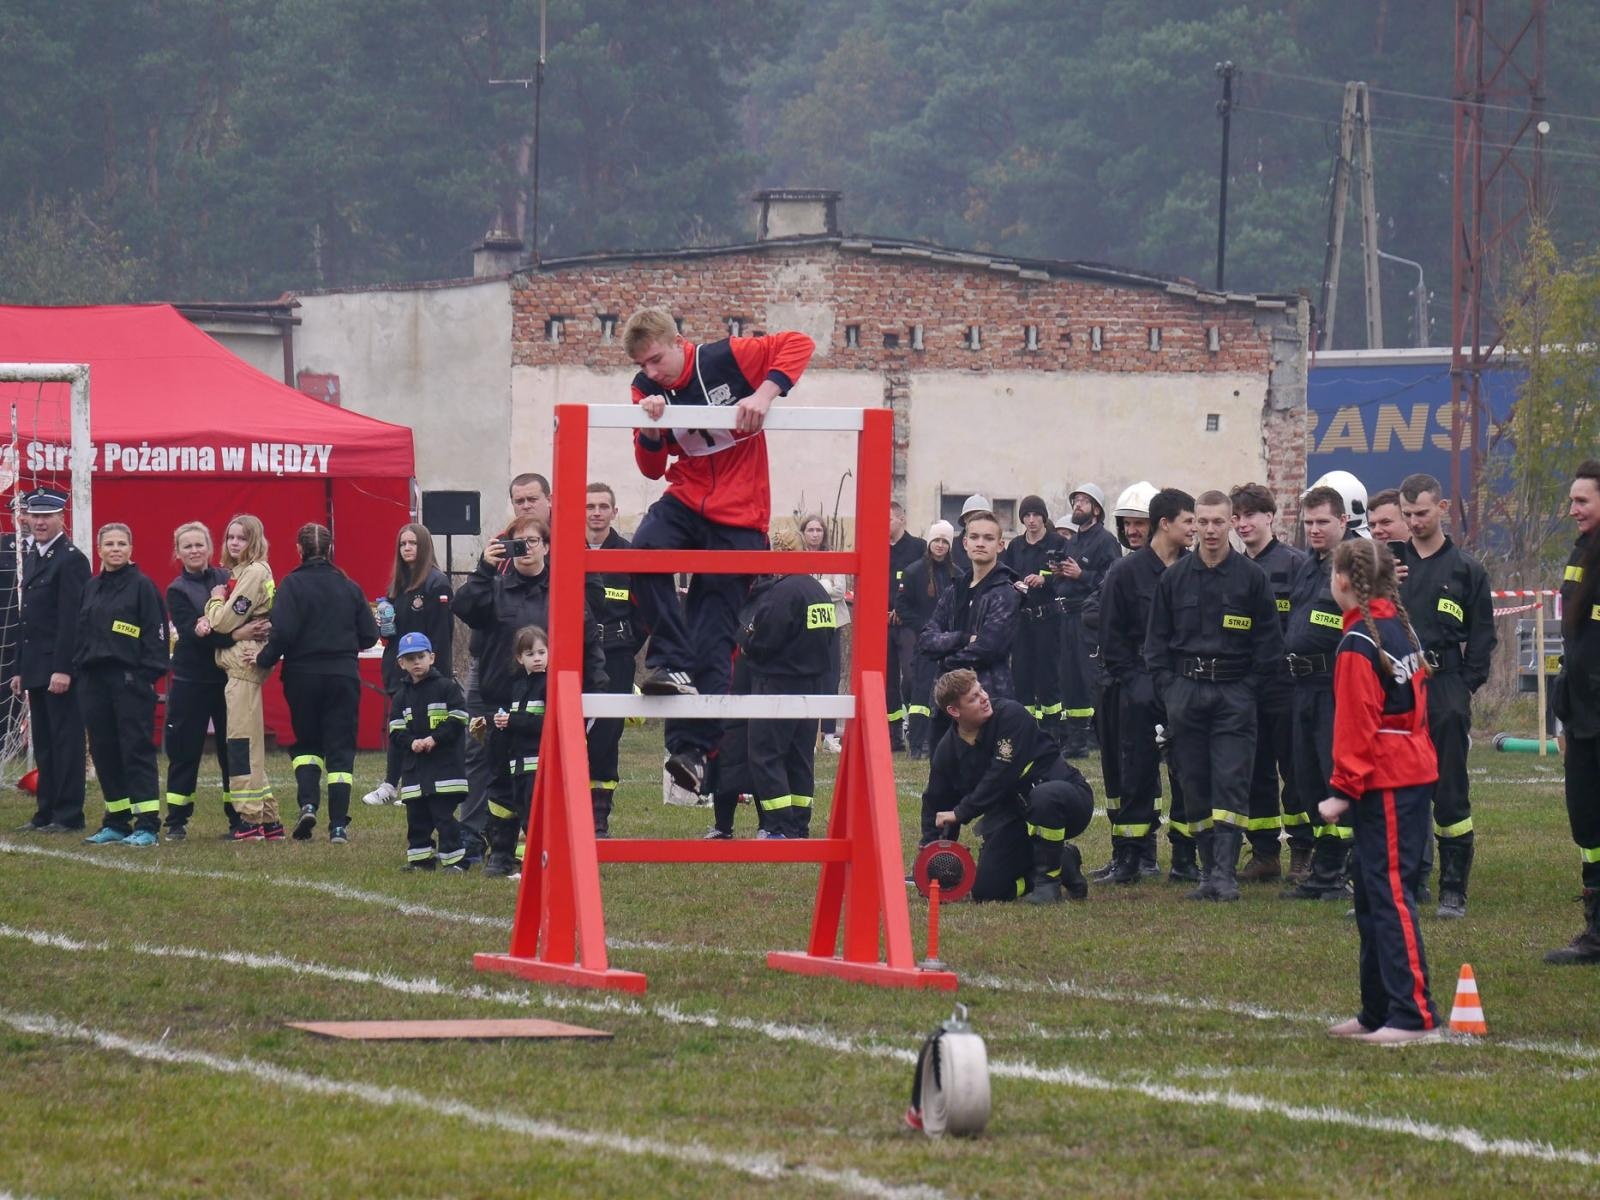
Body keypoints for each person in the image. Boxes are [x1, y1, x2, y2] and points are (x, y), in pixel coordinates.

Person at [622, 307, 815, 796]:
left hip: (740, 515)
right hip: (685, 498)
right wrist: (648, 432)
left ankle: (692, 751)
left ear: (679, 341)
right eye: (642, 365)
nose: (651, 372)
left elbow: (799, 343)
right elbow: (649, 468)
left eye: (656, 360)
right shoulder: (644, 390)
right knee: (642, 551)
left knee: (713, 630)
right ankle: (669, 660)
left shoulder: (726, 357)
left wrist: (765, 392)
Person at [1321, 537, 1442, 1044]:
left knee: (1391, 894)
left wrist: (1342, 788)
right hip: (1407, 771)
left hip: (1388, 780)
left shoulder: (1360, 642)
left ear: (1343, 581)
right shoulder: (1395, 627)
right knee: (1373, 894)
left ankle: (1415, 1016)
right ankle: (1377, 1009)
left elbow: (1357, 721)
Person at [1145, 491, 1283, 901]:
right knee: (1193, 785)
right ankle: (1207, 873)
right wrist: (1171, 692)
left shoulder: (1252, 578)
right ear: (1193, 525)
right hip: (1185, 694)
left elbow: (1269, 646)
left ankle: (1225, 874)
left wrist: (1246, 690)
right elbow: (1156, 646)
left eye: (1217, 522)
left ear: (1230, 523)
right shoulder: (1173, 578)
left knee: (1232, 782)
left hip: (1234, 694)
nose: (1208, 530)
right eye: (1201, 522)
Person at [456, 515, 606, 872]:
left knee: (545, 777)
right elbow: (463, 609)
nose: (525, 549)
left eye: (533, 541)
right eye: (517, 542)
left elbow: (588, 640)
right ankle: (502, 853)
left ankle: (548, 851)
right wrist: (484, 569)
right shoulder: (494, 587)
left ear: (548, 547)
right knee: (500, 779)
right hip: (501, 700)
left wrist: (595, 689)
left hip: (549, 701)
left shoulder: (563, 590)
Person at [1396, 473, 1496, 919]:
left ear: (1441, 509)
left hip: (1445, 686)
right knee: (1399, 787)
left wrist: (1464, 685)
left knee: (1449, 788)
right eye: (1408, 514)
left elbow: (1482, 636)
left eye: (1421, 513)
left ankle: (1453, 889)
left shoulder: (1466, 569)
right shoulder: (1392, 564)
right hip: (1398, 686)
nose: (1414, 522)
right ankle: (1407, 882)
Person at [253, 523, 380, 844]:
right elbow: (369, 635)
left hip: (301, 676)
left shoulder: (291, 585)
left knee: (307, 745)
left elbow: (281, 634)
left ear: (299, 549)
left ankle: (308, 803)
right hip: (342, 676)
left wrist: (262, 660)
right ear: (330, 548)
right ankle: (338, 825)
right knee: (340, 750)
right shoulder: (349, 587)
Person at [925, 669, 1094, 904]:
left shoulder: (1010, 715)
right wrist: (933, 859)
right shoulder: (947, 751)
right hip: (1014, 816)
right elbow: (936, 801)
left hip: (1066, 798)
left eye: (981, 690)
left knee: (1043, 797)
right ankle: (1059, 863)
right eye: (973, 698)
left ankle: (1048, 883)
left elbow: (1001, 775)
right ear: (954, 711)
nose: (984, 697)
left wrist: (961, 812)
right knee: (987, 890)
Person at [1097, 487, 1192, 884]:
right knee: (1133, 774)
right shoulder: (1125, 573)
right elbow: (1111, 637)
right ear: (1165, 523)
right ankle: (1130, 858)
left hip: (1184, 686)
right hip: (1136, 687)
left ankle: (1187, 860)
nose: (1196, 529)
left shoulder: (1195, 570)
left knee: (1188, 775)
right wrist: (1137, 685)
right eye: (1189, 521)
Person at [458, 473, 552, 851]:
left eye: (532, 499)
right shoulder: (497, 574)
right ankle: (480, 836)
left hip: (543, 686)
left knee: (536, 765)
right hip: (495, 678)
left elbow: (586, 624)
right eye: (519, 501)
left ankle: (536, 840)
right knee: (486, 758)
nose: (525, 506)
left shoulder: (561, 574)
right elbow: (466, 608)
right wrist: (484, 568)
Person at [1280, 485, 1362, 899]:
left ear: (1343, 521)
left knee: (1336, 778)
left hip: (1335, 686)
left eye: (1323, 522)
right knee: (1308, 777)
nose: (1314, 529)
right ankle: (1322, 867)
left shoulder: (1354, 564)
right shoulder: (1307, 565)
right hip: (1302, 687)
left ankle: (1339, 871)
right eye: (1308, 522)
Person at [164, 522, 265, 840]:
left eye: (199, 545)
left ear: (210, 548)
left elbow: (247, 613)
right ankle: (177, 821)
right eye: (187, 546)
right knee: (184, 751)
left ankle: (238, 819)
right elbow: (196, 638)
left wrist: (253, 628)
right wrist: (236, 634)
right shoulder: (176, 590)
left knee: (231, 751)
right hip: (189, 680)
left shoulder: (227, 578)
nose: (194, 551)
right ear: (178, 552)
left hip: (226, 679)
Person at [915, 510, 1021, 813]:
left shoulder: (1005, 593)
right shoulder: (954, 590)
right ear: (963, 543)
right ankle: (937, 849)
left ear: (1000, 545)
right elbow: (926, 638)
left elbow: (990, 647)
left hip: (987, 699)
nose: (980, 543)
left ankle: (997, 851)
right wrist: (962, 639)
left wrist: (946, 657)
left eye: (989, 538)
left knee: (993, 783)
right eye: (974, 537)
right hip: (947, 700)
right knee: (940, 782)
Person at [738, 525, 837, 838]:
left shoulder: (782, 592)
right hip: (810, 686)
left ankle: (778, 826)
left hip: (776, 684)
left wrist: (744, 639)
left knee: (767, 755)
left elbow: (764, 639)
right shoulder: (816, 590)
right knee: (799, 756)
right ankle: (799, 823)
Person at [75, 524, 170, 846]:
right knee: (104, 751)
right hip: (94, 682)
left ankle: (147, 825)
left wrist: (144, 676)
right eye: (109, 544)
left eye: (122, 544)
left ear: (131, 549)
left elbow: (156, 635)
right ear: (99, 550)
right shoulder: (91, 587)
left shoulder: (142, 587)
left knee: (136, 751)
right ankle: (116, 821)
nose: (115, 549)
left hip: (130, 682)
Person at [1231, 482, 1305, 882]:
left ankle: (1301, 853)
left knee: (1294, 771)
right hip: (1245, 687)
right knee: (1255, 772)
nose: (1242, 524)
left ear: (1270, 518)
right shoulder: (1232, 567)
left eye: (1250, 516)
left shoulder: (1295, 565)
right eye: (1237, 517)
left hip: (1286, 685)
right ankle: (1264, 854)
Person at [10, 488, 91, 834]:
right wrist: (18, 668)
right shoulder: (34, 556)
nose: (40, 522)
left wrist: (64, 667)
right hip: (35, 666)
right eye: (35, 515)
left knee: (66, 741)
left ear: (61, 518)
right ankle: (46, 810)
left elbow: (72, 620)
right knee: (43, 742)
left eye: (47, 516)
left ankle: (69, 813)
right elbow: (26, 619)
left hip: (58, 668)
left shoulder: (71, 559)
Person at [1547, 460, 1600, 964]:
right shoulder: (1581, 552)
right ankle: (1596, 928)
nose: (1572, 510)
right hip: (1583, 712)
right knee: (1586, 822)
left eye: (1582, 501)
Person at [200, 514, 280, 840]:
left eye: (241, 538)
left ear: (254, 540)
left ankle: (249, 821)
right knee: (248, 744)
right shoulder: (246, 572)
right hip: (242, 664)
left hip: (243, 668)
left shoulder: (253, 573)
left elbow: (222, 621)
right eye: (230, 537)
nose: (234, 543)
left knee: (241, 744)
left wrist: (216, 599)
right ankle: (270, 819)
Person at [365, 523, 455, 808]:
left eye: (413, 543)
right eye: (403, 544)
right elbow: (393, 633)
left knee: (423, 728)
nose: (407, 548)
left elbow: (442, 633)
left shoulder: (436, 582)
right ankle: (390, 784)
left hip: (425, 671)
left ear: (424, 546)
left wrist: (437, 672)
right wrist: (384, 624)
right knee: (399, 726)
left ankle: (417, 784)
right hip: (397, 666)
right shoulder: (398, 585)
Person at [583, 483, 639, 837]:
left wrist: (627, 645)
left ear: (614, 512)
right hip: (575, 656)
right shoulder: (563, 549)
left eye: (604, 506)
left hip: (617, 657)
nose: (597, 512)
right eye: (590, 506)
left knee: (606, 736)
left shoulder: (629, 554)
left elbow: (645, 612)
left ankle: (598, 815)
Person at [388, 631, 470, 871]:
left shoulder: (447, 688)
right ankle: (421, 859)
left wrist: (435, 738)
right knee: (417, 818)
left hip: (444, 768)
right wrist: (411, 742)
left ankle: (455, 860)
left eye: (421, 656)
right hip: (415, 770)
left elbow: (458, 717)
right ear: (401, 663)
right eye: (410, 658)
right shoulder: (401, 697)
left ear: (432, 658)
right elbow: (395, 730)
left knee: (443, 817)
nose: (416, 662)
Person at [1052, 483, 1121, 759]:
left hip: (1089, 619)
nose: (1077, 504)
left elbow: (1112, 581)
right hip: (1066, 617)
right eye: (1076, 500)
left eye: (1083, 500)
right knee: (1070, 681)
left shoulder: (1106, 541)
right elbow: (1062, 580)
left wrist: (1082, 575)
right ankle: (1076, 740)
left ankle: (1102, 736)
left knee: (1091, 678)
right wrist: (1059, 573)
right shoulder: (1072, 541)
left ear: (1097, 508)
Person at [1000, 494, 1066, 739]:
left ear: (1043, 517)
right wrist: (1015, 584)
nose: (1031, 520)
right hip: (1022, 619)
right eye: (1026, 515)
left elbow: (1064, 577)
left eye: (1036, 515)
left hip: (1047, 618)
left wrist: (1044, 579)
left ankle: (1053, 729)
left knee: (1048, 675)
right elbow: (1005, 574)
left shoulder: (1057, 542)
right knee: (1021, 674)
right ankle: (1024, 727)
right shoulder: (1016, 545)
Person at [895, 522, 963, 758]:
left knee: (951, 692)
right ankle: (917, 745)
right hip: (924, 642)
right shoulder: (913, 572)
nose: (941, 546)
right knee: (920, 694)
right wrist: (924, 629)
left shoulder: (958, 574)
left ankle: (946, 743)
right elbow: (902, 606)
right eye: (937, 541)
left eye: (945, 541)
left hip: (949, 643)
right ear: (930, 542)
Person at [487, 625, 548, 877]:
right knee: (526, 817)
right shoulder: (517, 686)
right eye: (530, 654)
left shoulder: (549, 684)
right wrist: (497, 722)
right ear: (519, 658)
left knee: (538, 817)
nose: (537, 658)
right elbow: (513, 721)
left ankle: (540, 866)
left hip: (539, 764)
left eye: (542, 652)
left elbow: (546, 723)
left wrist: (513, 720)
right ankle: (532, 865)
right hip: (519, 765)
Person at [800, 512, 850, 752]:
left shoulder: (833, 558)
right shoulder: (797, 558)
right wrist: (822, 588)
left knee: (830, 677)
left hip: (831, 625)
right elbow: (796, 589)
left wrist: (816, 589)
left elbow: (840, 590)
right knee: (807, 677)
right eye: (810, 530)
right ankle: (808, 734)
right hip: (804, 627)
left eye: (819, 530)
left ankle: (829, 733)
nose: (815, 534)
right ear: (803, 533)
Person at [885, 501, 926, 753]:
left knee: (911, 675)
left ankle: (917, 726)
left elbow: (922, 586)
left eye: (888, 518)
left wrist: (904, 611)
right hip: (881, 622)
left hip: (907, 623)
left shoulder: (918, 548)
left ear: (902, 519)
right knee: (886, 680)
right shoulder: (876, 548)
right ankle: (894, 734)